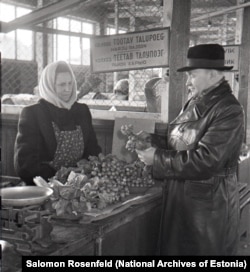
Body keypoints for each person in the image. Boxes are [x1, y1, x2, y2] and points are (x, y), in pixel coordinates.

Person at [136, 44, 245, 255]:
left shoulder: (228, 109)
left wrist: (157, 158)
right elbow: (184, 142)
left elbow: (206, 160)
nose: (188, 81)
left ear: (212, 74)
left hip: (208, 206)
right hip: (187, 198)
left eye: (193, 75)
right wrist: (153, 141)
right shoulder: (198, 100)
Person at [14, 61, 101, 185]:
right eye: (61, 85)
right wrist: (60, 177)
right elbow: (25, 165)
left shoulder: (82, 111)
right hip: (44, 186)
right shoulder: (33, 114)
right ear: (49, 86)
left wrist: (86, 168)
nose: (68, 89)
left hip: (79, 184)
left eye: (70, 83)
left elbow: (93, 151)